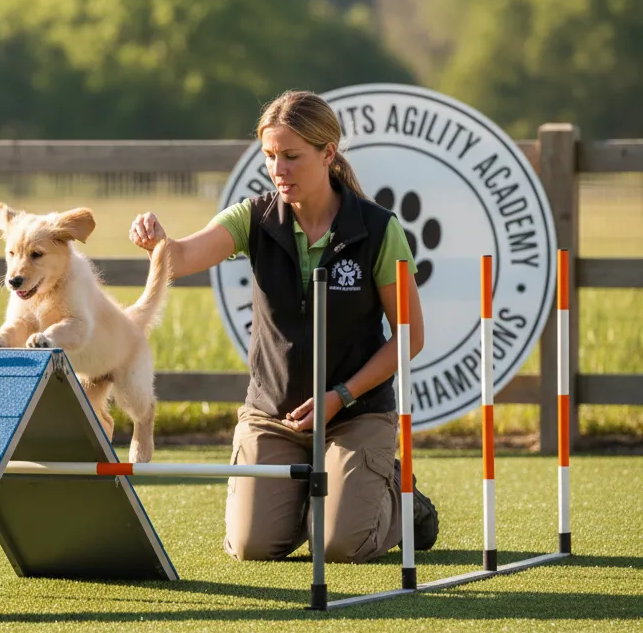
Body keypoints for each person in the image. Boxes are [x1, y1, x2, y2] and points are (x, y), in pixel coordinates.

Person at [129, 90, 438, 563]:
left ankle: (401, 500)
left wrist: (342, 396)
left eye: (292, 157)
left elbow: (410, 337)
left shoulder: (378, 229)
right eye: (271, 156)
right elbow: (183, 256)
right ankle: (320, 499)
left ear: (327, 153)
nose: (279, 169)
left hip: (355, 415)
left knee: (339, 547)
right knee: (251, 547)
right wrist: (157, 242)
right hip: (272, 415)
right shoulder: (253, 217)